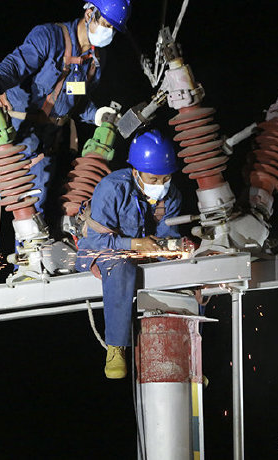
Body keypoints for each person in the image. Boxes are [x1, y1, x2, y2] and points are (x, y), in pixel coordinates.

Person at [0, 0, 132, 290]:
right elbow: (17, 65)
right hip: (15, 134)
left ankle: (27, 268)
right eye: (105, 24)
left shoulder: (96, 61)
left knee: (36, 206)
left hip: (46, 142)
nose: (108, 32)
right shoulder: (50, 37)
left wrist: (96, 114)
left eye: (113, 29)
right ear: (89, 13)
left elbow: (75, 95)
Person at [75, 130, 182, 379]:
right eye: (154, 179)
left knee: (181, 269)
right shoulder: (112, 189)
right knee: (120, 266)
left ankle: (185, 353)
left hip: (143, 252)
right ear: (136, 172)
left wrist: (171, 250)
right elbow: (98, 240)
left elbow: (168, 235)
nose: (161, 185)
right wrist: (135, 244)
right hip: (102, 251)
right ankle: (116, 347)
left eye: (166, 178)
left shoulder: (172, 195)